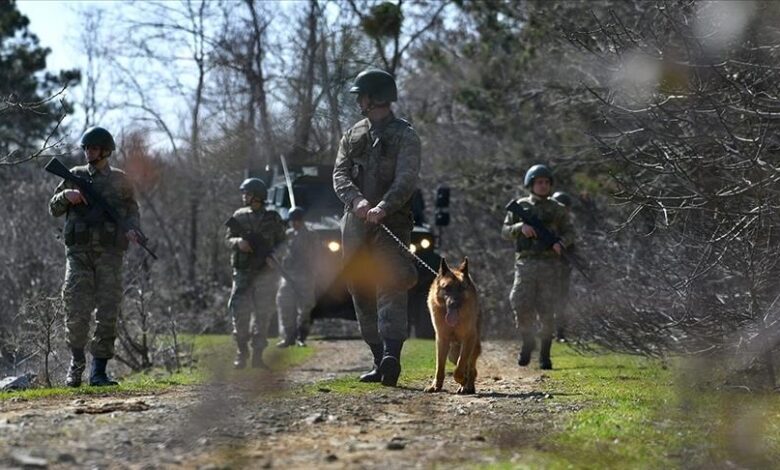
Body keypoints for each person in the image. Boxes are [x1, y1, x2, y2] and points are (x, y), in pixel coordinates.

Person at [333, 68, 421, 387]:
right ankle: (376, 357)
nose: (359, 101)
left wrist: (384, 206)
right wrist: (357, 202)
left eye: (362, 96)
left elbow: (406, 179)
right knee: (360, 288)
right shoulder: (353, 134)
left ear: (375, 98)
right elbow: (339, 174)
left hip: (392, 223)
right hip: (355, 225)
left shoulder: (406, 135)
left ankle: (392, 357)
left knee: (391, 285)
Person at [49, 126, 142, 387]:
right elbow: (53, 208)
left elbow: (132, 211)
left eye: (94, 148)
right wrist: (66, 196)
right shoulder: (74, 175)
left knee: (108, 311)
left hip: (111, 255)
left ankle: (98, 372)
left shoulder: (121, 180)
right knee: (76, 310)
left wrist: (134, 230)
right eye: (86, 148)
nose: (89, 152)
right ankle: (76, 366)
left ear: (106, 151)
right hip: (78, 255)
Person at [502, 164, 575, 370]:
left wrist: (561, 243)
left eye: (546, 182)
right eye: (538, 182)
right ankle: (527, 340)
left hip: (550, 265)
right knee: (519, 302)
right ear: (531, 184)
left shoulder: (557, 209)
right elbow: (505, 231)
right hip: (525, 263)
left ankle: (545, 354)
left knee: (547, 310)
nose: (543, 186)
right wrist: (520, 228)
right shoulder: (521, 206)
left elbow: (570, 232)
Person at [225, 178, 286, 369]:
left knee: (263, 314)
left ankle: (258, 356)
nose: (244, 196)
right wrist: (238, 243)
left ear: (257, 196)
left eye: (247, 193)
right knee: (239, 313)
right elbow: (227, 239)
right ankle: (241, 352)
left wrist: (274, 257)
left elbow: (283, 243)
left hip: (265, 274)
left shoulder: (273, 218)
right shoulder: (239, 216)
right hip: (242, 272)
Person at [275, 206, 317, 348]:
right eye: (292, 221)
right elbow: (280, 251)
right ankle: (288, 337)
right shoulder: (287, 234)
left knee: (305, 308)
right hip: (288, 275)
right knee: (284, 304)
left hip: (305, 275)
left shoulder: (310, 235)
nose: (294, 223)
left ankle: (301, 337)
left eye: (297, 220)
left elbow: (316, 254)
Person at [551, 191, 574, 342]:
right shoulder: (548, 224)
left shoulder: (567, 227)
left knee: (561, 301)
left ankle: (560, 333)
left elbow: (571, 245)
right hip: (546, 267)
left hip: (562, 268)